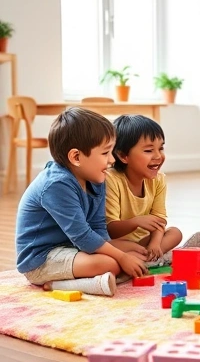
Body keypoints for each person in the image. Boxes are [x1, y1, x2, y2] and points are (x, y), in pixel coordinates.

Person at [16, 108, 147, 297]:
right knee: (111, 262)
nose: (112, 160)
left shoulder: (96, 178)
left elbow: (97, 226)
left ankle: (103, 274)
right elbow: (83, 236)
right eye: (105, 153)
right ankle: (58, 285)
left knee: (134, 249)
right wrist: (120, 257)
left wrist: (122, 253)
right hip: (41, 259)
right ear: (76, 157)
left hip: (71, 247)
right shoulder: (56, 184)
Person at [106, 115, 200, 267]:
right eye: (148, 150)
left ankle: (152, 257)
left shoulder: (158, 179)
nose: (158, 156)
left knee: (174, 232)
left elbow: (160, 220)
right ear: (123, 155)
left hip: (145, 241)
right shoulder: (111, 179)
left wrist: (155, 243)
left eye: (161, 148)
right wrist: (135, 222)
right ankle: (158, 258)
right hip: (119, 243)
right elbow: (111, 229)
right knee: (113, 247)